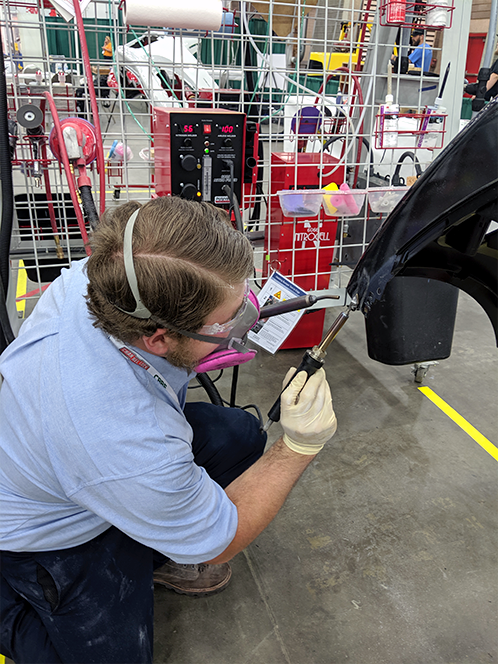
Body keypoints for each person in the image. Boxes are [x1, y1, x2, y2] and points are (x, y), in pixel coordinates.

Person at [0, 196, 337, 663]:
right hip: (49, 535)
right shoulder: (122, 436)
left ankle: (154, 537)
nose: (247, 322)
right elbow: (225, 535)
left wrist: (204, 342)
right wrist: (299, 447)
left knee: (238, 434)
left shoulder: (107, 274)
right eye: (232, 319)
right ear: (158, 338)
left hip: (89, 466)